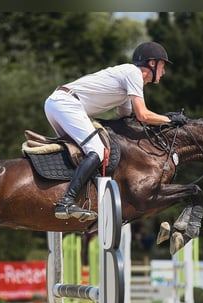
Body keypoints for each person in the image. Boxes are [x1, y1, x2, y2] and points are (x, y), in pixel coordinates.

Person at [44, 41, 187, 221]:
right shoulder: (133, 74)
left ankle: (76, 196)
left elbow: (126, 118)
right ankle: (66, 201)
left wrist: (160, 121)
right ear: (152, 63)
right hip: (66, 104)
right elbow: (142, 115)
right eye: (162, 66)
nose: (163, 72)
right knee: (97, 150)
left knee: (80, 153)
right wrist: (169, 120)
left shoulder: (128, 81)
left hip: (58, 103)